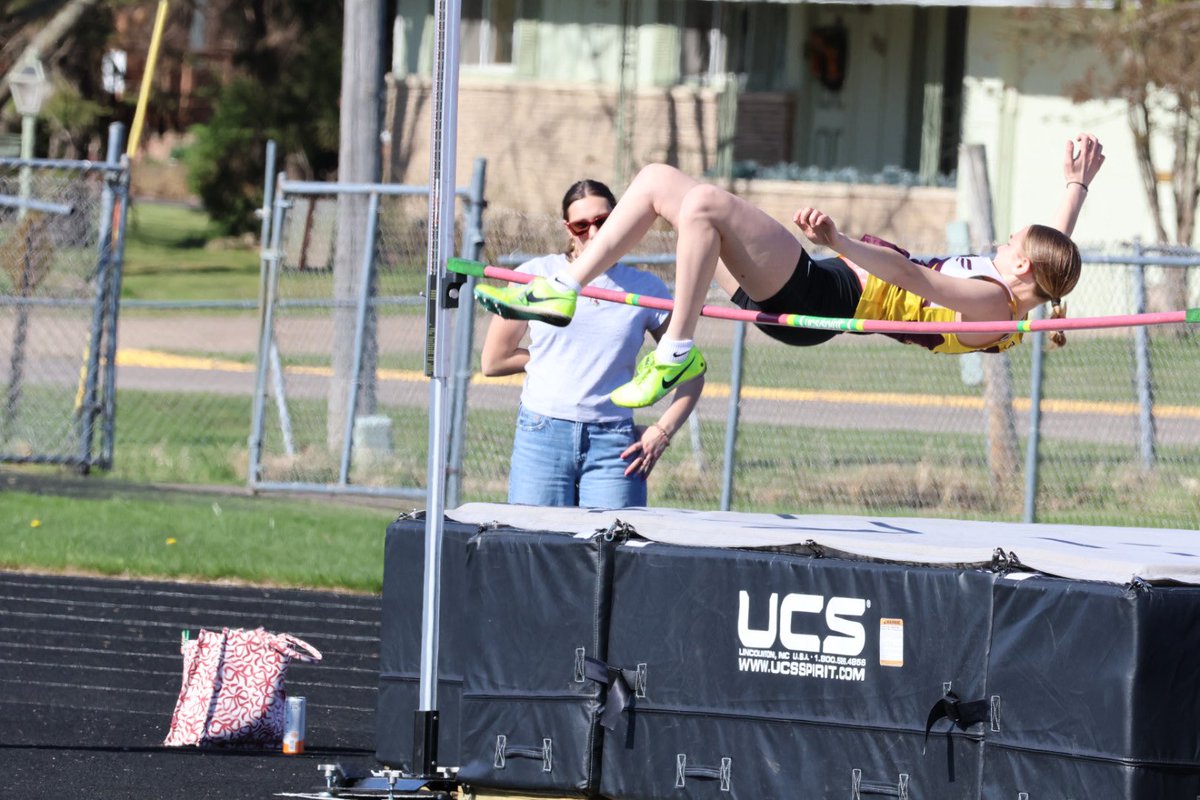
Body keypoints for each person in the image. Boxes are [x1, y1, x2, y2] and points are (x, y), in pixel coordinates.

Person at [475, 134, 1106, 409]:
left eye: (1009, 240)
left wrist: (840, 241)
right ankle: (571, 289)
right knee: (661, 187)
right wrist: (1075, 184)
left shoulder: (994, 307)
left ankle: (676, 345)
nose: (1000, 240)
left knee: (703, 203)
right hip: (813, 291)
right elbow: (1055, 255)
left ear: (1019, 264)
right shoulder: (1028, 284)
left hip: (824, 297)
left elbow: (917, 281)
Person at [479, 179, 704, 508]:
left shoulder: (644, 288)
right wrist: (556, 361)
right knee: (534, 549)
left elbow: (691, 373)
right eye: (581, 225)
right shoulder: (536, 276)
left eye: (603, 221)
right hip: (542, 434)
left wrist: (662, 431)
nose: (594, 233)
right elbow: (493, 361)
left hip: (613, 443)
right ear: (567, 229)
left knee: (609, 555)